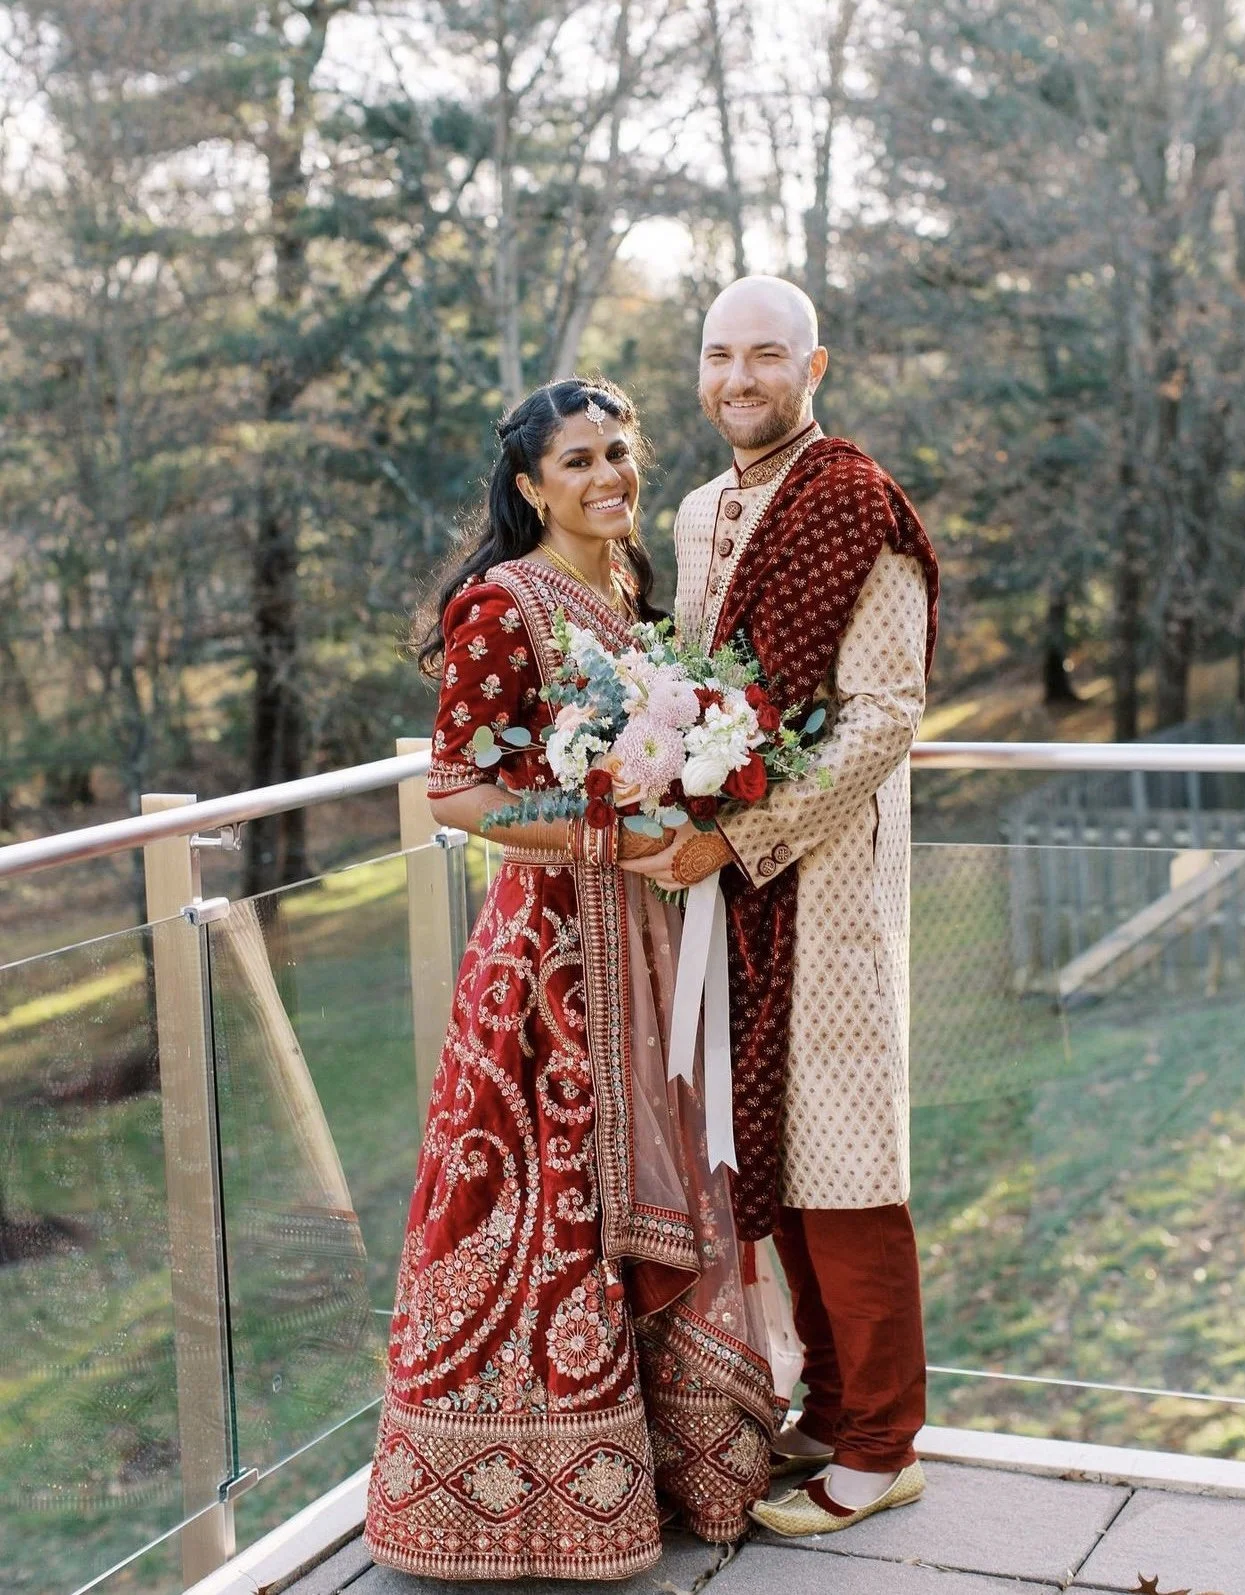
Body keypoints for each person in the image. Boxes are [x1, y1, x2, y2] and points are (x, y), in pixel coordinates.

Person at [365, 377, 786, 1582]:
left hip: (646, 932)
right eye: (580, 461)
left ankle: (662, 1455)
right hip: (549, 952)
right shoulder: (504, 605)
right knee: (547, 1192)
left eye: (620, 453)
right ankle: (522, 1490)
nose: (608, 476)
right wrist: (606, 831)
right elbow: (456, 791)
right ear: (529, 484)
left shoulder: (627, 590)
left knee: (646, 1175)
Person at [626, 278, 941, 1536]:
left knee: (849, 1162)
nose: (739, 376)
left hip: (828, 881)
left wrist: (742, 835)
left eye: (767, 355)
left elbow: (884, 716)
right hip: (729, 901)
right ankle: (828, 1401)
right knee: (780, 1158)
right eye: (718, 354)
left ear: (815, 368)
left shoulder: (860, 503)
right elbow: (699, 687)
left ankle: (883, 1442)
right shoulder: (701, 510)